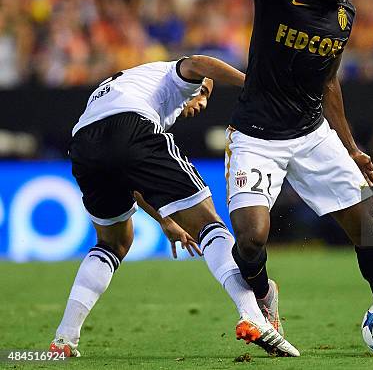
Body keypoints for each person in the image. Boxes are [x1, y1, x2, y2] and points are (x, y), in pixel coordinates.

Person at [204, 0, 373, 353]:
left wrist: (351, 147)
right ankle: (263, 297)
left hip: (312, 134)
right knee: (252, 238)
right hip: (256, 136)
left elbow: (328, 82)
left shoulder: (345, 16)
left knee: (367, 228)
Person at [49, 55, 299, 358]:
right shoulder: (171, 75)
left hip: (84, 144)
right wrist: (252, 84)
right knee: (210, 224)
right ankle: (253, 316)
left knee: (114, 243)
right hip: (131, 126)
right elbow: (197, 63)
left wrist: (165, 220)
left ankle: (64, 338)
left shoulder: (126, 85)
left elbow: (130, 176)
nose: (203, 103)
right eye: (204, 92)